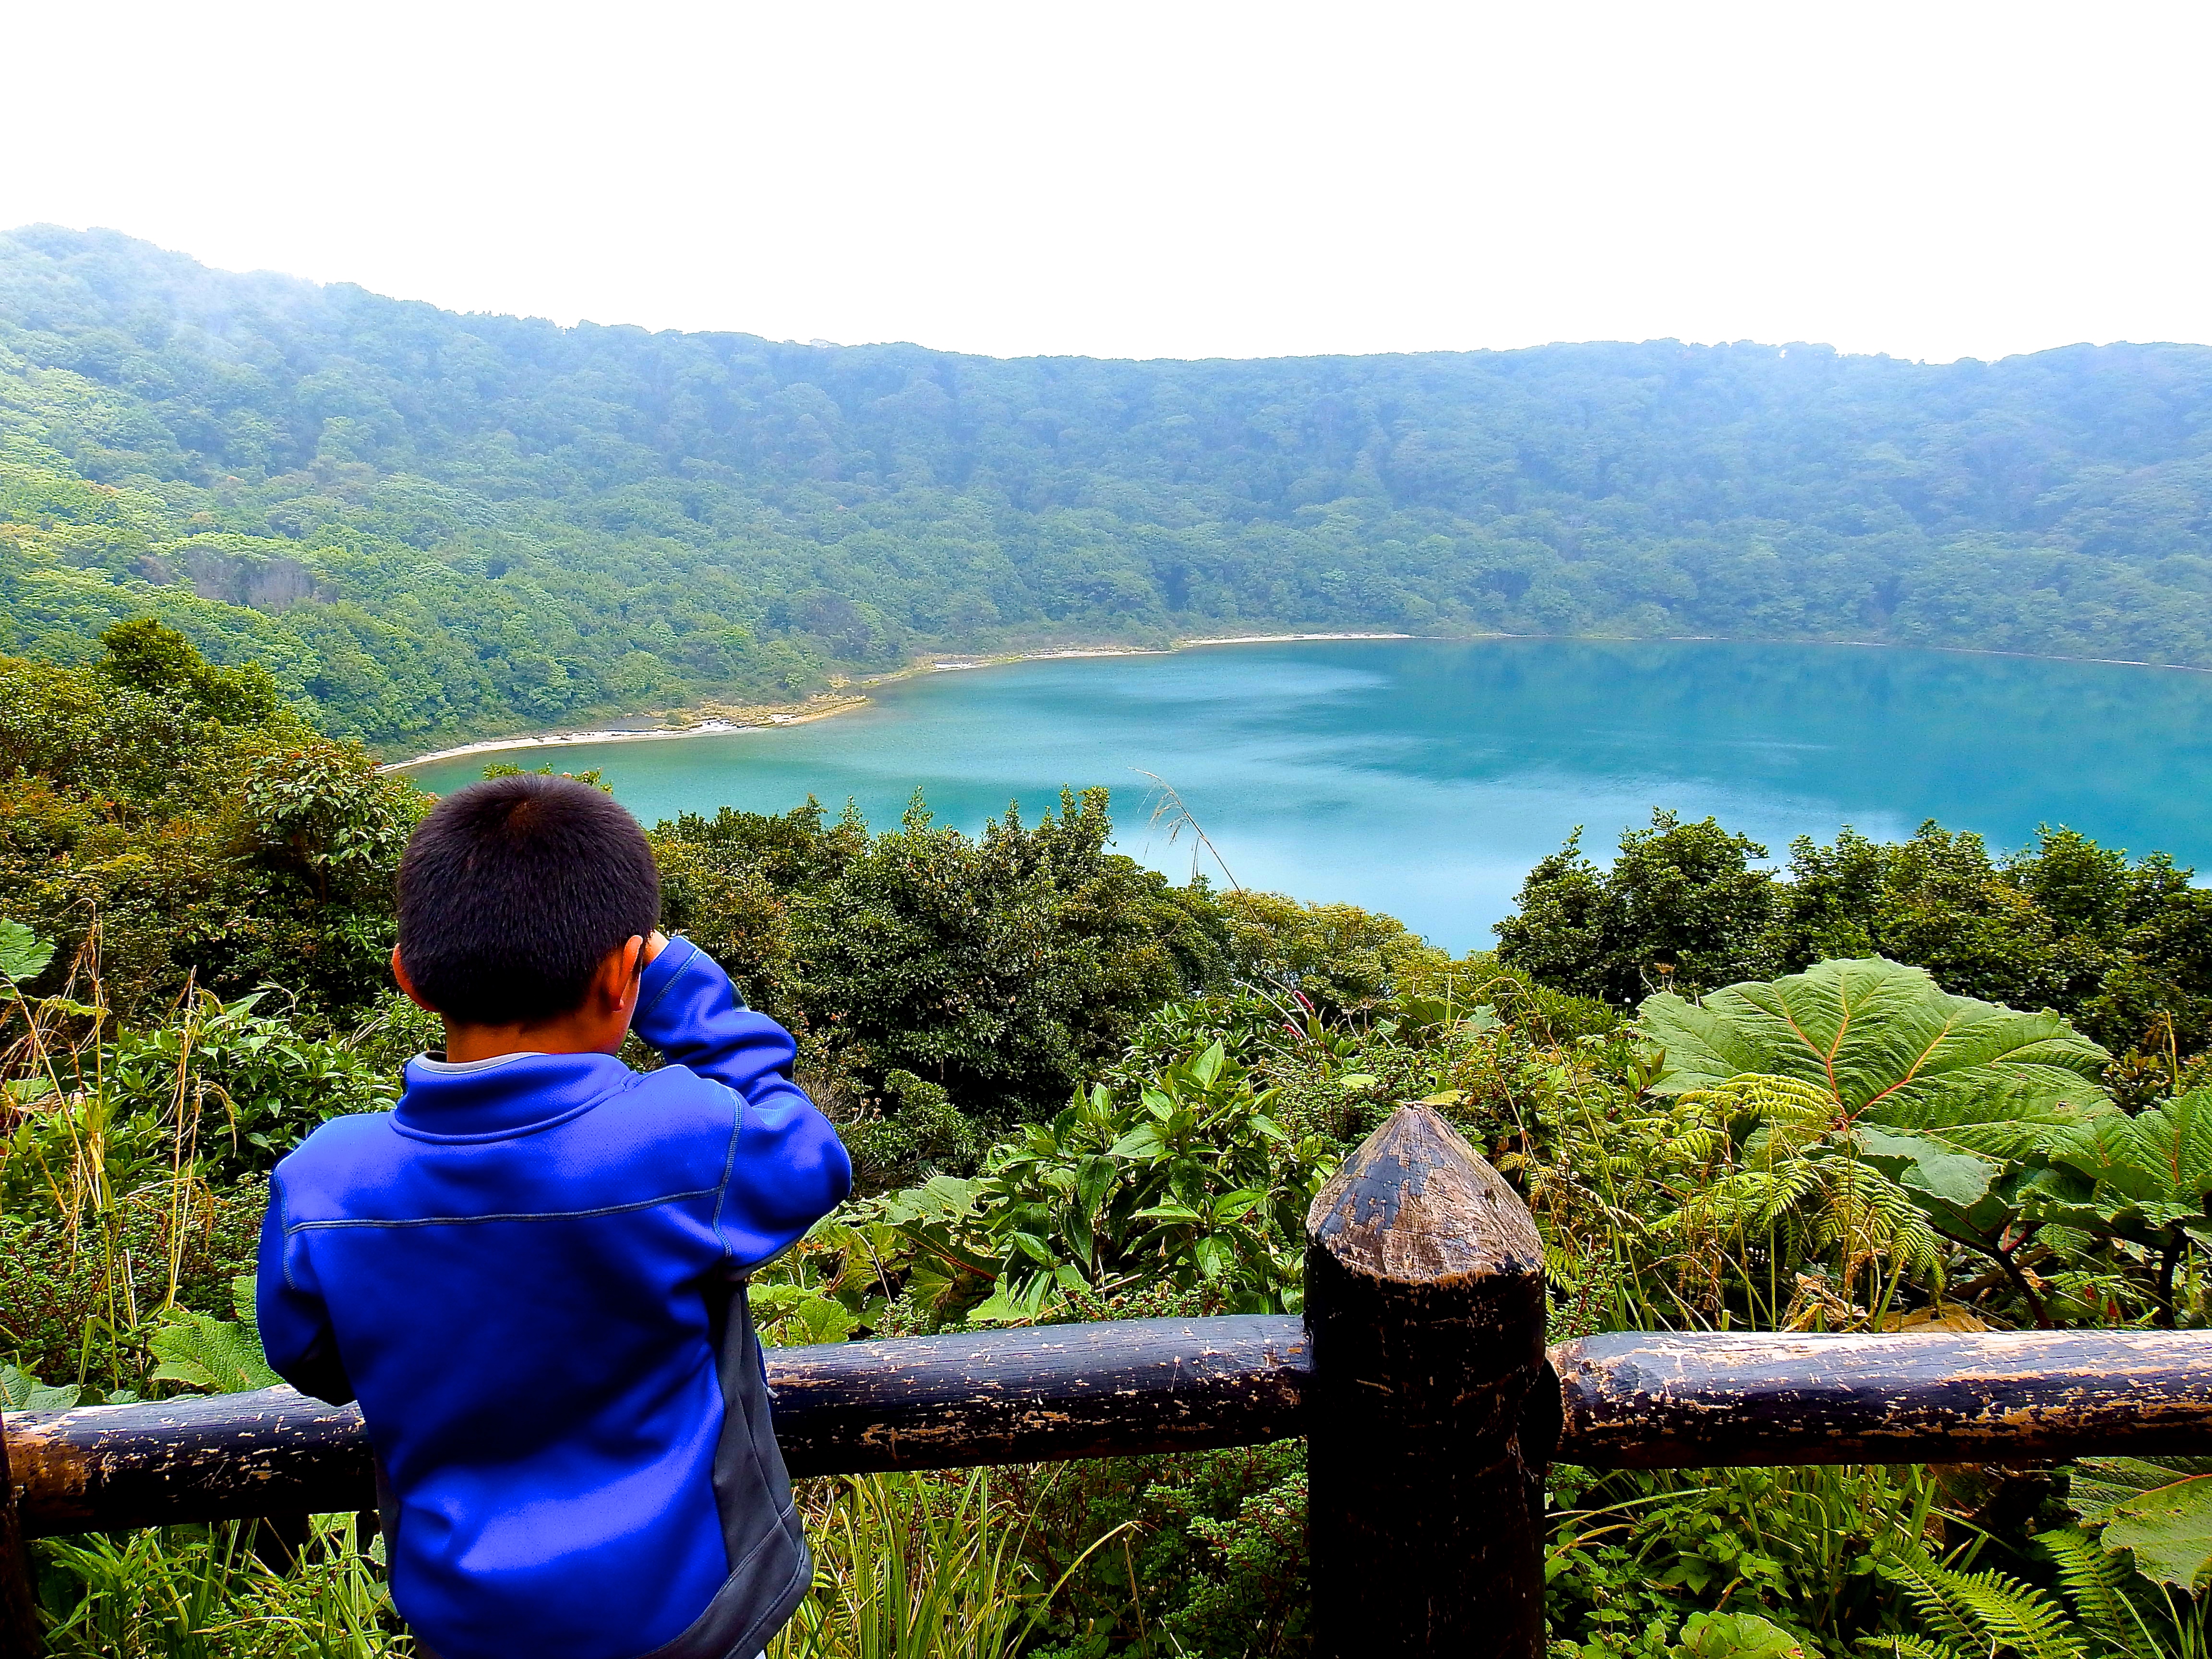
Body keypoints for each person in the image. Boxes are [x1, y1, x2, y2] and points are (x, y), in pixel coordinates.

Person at [257, 773, 852, 1659]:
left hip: (464, 1626)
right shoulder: (685, 1138)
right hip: (690, 1615)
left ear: (409, 978)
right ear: (624, 978)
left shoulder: (324, 1184)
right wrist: (691, 995)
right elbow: (813, 1157)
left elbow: (314, 1358)